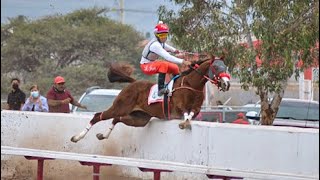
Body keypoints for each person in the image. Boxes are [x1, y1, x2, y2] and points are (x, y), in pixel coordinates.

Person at [140, 21, 191, 96]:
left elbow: (168, 47)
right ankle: (160, 89)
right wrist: (182, 61)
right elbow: (168, 57)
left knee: (175, 68)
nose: (164, 37)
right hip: (145, 66)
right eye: (161, 35)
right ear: (156, 35)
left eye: (165, 34)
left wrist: (176, 51)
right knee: (163, 65)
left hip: (153, 63)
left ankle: (176, 85)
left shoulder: (161, 42)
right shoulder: (155, 45)